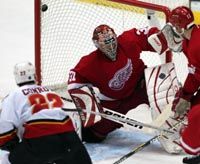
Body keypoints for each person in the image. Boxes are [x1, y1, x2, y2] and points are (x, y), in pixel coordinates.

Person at [67, 24, 162, 143]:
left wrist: (160, 36)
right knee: (93, 135)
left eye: (111, 40)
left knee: (163, 91)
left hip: (141, 86)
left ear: (116, 37)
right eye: (104, 43)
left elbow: (147, 33)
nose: (110, 46)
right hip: (114, 103)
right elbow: (74, 80)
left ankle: (177, 125)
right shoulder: (90, 62)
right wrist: (86, 102)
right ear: (96, 44)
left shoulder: (128, 41)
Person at [0, 61, 92, 164]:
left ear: (16, 77)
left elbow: (4, 125)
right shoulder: (49, 91)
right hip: (69, 139)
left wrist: (11, 146)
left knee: (7, 158)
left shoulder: (13, 96)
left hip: (40, 143)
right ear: (34, 75)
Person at [167, 6, 200, 164]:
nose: (173, 29)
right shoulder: (190, 41)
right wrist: (185, 96)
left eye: (174, 26)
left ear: (180, 27)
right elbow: (195, 74)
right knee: (194, 107)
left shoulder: (196, 45)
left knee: (196, 115)